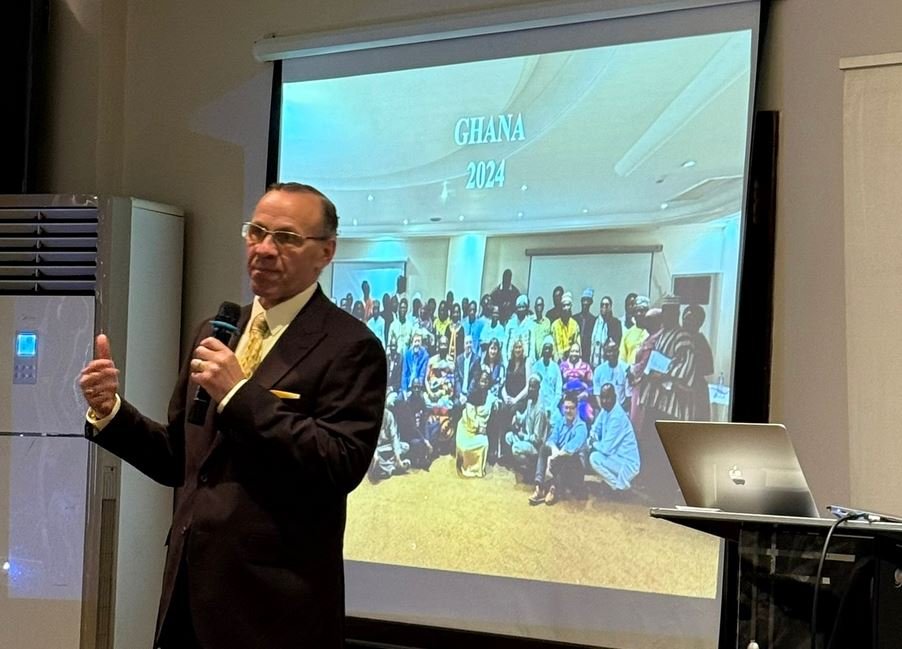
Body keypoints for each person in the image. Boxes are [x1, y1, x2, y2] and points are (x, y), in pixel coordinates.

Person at [78, 182, 386, 649]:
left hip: (274, 610)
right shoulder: (218, 330)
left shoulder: (350, 346)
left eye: (285, 237)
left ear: (325, 252)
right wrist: (112, 413)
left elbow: (339, 462)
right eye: (256, 232)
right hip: (187, 594)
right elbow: (178, 460)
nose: (263, 248)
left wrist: (240, 393)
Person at [528, 394, 588, 505]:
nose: (568, 411)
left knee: (565, 457)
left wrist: (555, 456)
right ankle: (539, 487)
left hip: (575, 467)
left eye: (571, 408)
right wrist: (554, 451)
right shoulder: (560, 422)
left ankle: (553, 489)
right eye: (566, 408)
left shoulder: (581, 427)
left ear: (576, 409)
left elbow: (571, 448)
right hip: (558, 462)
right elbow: (551, 439)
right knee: (544, 448)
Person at [588, 383, 640, 491]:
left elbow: (606, 449)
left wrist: (593, 443)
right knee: (594, 453)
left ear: (615, 398)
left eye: (608, 398)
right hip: (616, 457)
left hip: (627, 464)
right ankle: (612, 484)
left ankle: (619, 487)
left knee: (594, 458)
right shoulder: (605, 410)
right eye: (602, 397)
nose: (604, 401)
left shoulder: (617, 417)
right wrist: (593, 438)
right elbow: (594, 428)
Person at [455, 370, 497, 478]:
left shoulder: (490, 397)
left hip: (481, 430)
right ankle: (465, 465)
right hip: (467, 427)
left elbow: (494, 401)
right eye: (482, 381)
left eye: (486, 381)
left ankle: (477, 469)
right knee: (464, 447)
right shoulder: (472, 395)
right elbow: (470, 416)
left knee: (484, 444)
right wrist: (478, 427)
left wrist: (496, 403)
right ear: (478, 381)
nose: (483, 383)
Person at [550, 292, 580, 361]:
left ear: (571, 306)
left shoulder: (575, 325)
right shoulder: (555, 325)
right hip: (557, 361)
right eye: (564, 306)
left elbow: (577, 345)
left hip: (571, 361)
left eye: (568, 305)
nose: (566, 308)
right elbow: (553, 346)